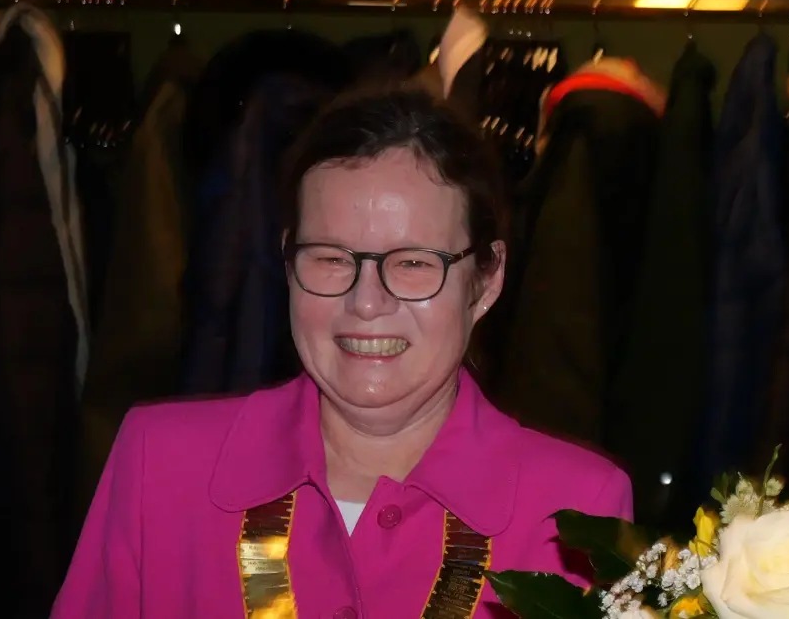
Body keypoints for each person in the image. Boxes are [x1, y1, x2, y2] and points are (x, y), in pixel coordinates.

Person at [53, 86, 633, 618]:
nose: (366, 302)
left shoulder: (579, 508)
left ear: (486, 280)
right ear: (288, 262)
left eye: (412, 264)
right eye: (331, 258)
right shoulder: (158, 464)